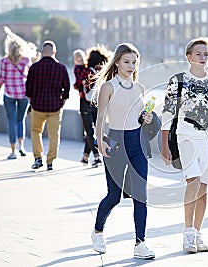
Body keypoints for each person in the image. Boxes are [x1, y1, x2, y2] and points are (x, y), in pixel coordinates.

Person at [161, 37, 208, 253]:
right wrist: (164, 144)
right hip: (186, 136)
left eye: (206, 53)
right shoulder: (178, 80)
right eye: (198, 53)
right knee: (193, 181)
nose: (203, 57)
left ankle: (199, 234)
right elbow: (167, 111)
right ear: (188, 56)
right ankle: (188, 233)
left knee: (203, 188)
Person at [90, 43, 155, 259]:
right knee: (114, 196)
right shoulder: (108, 87)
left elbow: (139, 118)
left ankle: (140, 243)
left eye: (134, 62)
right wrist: (100, 142)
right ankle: (98, 231)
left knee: (141, 196)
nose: (131, 65)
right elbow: (100, 118)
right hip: (115, 143)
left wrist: (146, 118)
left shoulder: (140, 88)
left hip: (138, 144)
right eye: (127, 61)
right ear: (117, 62)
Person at [25, 40, 70, 171]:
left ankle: (38, 158)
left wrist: (31, 102)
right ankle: (50, 161)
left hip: (37, 106)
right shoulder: (61, 68)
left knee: (35, 131)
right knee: (54, 135)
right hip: (55, 106)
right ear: (54, 52)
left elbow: (28, 89)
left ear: (42, 52)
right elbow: (66, 89)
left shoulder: (34, 67)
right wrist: (62, 102)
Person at [0, 35, 32, 160]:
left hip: (9, 94)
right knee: (20, 120)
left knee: (11, 121)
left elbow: (1, 79)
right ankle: (21, 147)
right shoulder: (26, 60)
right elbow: (29, 78)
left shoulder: (4, 61)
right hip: (23, 94)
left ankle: (13, 151)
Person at [78, 45, 110, 167]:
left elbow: (78, 85)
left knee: (89, 131)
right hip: (99, 103)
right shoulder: (103, 73)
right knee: (95, 130)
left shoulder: (86, 71)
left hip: (85, 102)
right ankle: (86, 157)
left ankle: (96, 157)